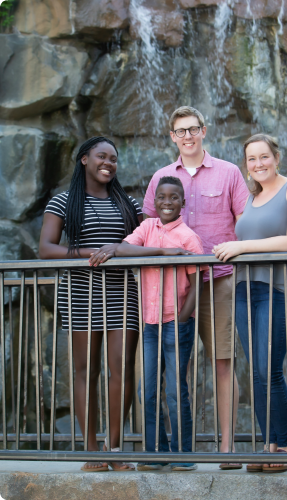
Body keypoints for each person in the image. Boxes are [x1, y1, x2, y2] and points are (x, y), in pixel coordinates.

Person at [142, 106, 249, 466]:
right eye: (180, 131)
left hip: (216, 280)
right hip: (171, 289)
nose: (187, 136)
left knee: (222, 361)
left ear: (204, 131)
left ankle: (227, 448)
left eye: (193, 129)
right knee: (175, 371)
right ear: (172, 136)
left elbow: (245, 223)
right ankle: (170, 451)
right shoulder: (160, 177)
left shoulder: (229, 172)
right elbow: (148, 228)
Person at [39, 136, 143, 472]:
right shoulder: (64, 201)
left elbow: (148, 240)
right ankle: (92, 449)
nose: (109, 163)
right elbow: (46, 249)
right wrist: (95, 253)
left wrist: (119, 249)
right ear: (84, 159)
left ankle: (115, 447)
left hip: (122, 295)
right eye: (102, 156)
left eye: (113, 159)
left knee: (121, 370)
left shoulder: (129, 204)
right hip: (81, 294)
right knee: (86, 371)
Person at [213, 133, 287, 473]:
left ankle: (283, 447)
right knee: (256, 371)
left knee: (270, 368)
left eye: (264, 156)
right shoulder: (252, 198)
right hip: (244, 289)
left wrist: (239, 247)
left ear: (277, 157)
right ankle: (268, 444)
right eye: (252, 159)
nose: (258, 164)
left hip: (278, 288)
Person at [110, 176, 206, 471]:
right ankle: (156, 451)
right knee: (146, 390)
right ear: (154, 201)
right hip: (150, 324)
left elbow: (197, 284)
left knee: (176, 391)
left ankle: (183, 454)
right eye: (161, 197)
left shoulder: (189, 237)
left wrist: (183, 318)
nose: (167, 202)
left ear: (183, 203)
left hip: (175, 323)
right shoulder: (147, 227)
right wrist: (163, 252)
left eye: (173, 197)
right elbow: (122, 249)